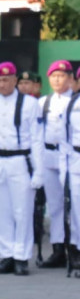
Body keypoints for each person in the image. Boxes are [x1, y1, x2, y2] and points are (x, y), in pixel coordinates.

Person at [0, 62, 44, 275]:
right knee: (1, 211)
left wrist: (38, 171)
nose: (2, 84)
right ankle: (6, 254)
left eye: (6, 80)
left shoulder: (29, 104)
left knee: (22, 211)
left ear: (15, 81)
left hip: (20, 160)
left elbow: (36, 139)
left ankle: (21, 257)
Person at [36, 60, 74, 268]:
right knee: (55, 205)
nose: (57, 80)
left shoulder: (76, 101)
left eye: (62, 76)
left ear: (70, 78)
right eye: (54, 76)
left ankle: (74, 248)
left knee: (75, 206)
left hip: (70, 157)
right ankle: (58, 248)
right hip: (49, 156)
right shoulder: (44, 102)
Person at [58, 65, 80, 277]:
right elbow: (64, 140)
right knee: (77, 212)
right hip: (76, 160)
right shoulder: (72, 104)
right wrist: (64, 170)